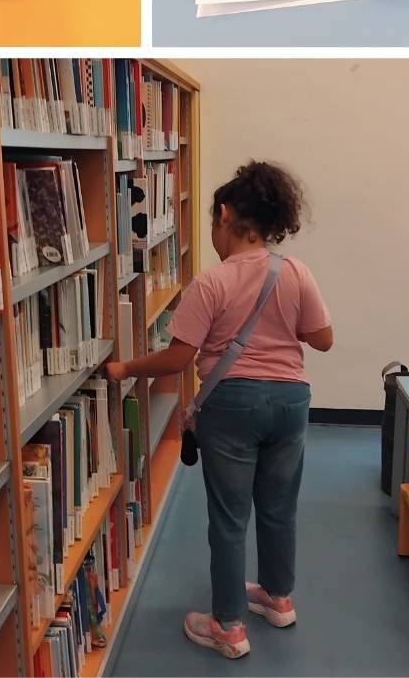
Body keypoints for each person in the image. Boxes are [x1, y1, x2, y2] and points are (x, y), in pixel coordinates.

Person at [106, 160, 333, 661]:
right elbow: (323, 340)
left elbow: (178, 357)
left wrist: (125, 369)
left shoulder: (211, 283)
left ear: (226, 215)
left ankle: (228, 626)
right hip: (292, 402)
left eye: (212, 222)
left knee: (230, 518)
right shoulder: (296, 271)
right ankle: (278, 598)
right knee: (279, 507)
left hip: (232, 404)